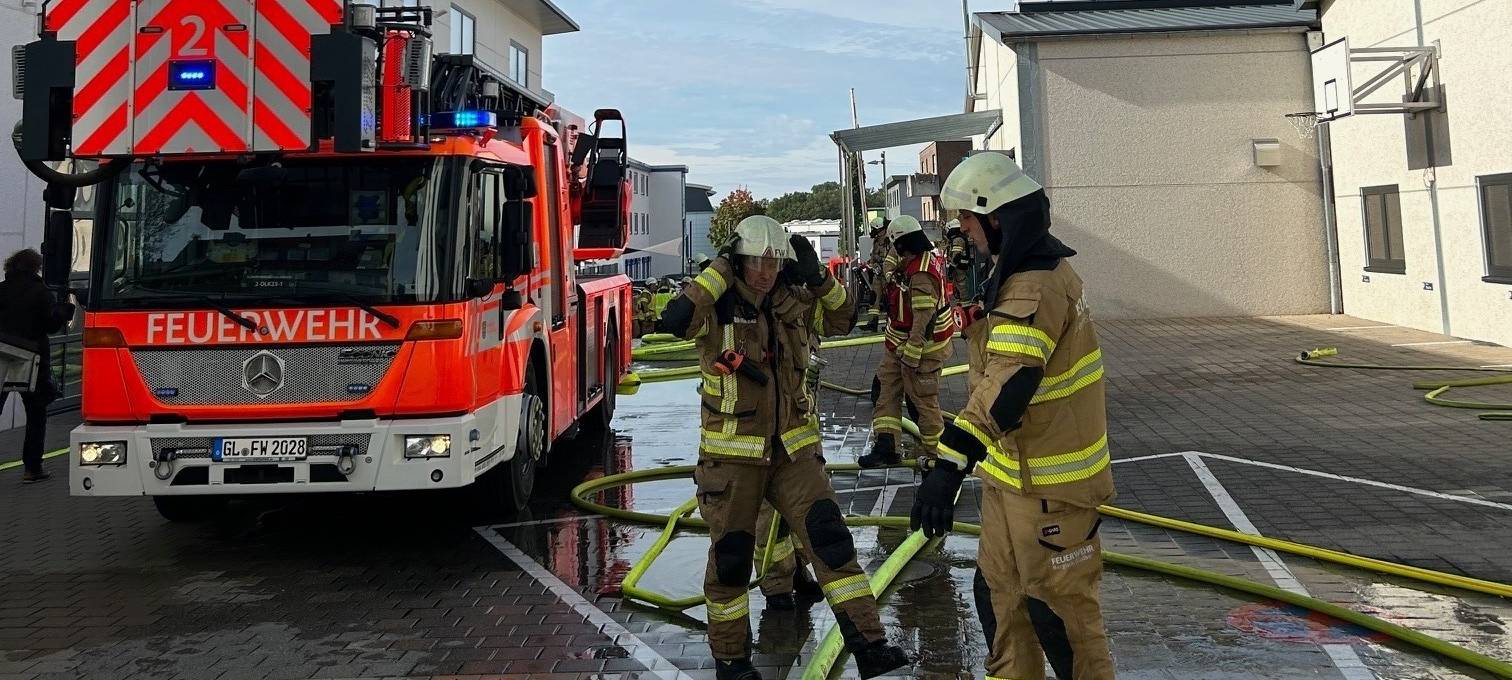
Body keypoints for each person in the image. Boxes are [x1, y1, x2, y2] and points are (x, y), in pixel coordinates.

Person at [659, 216, 909, 680]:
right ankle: (732, 662)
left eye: (774, 262)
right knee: (732, 560)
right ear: (739, 260)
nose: (766, 272)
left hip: (794, 452)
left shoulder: (795, 299)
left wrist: (817, 277)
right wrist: (717, 273)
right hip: (733, 457)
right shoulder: (715, 304)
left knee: (831, 542)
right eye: (756, 261)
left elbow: (843, 317)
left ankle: (870, 644)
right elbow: (674, 320)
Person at [911, 153, 1115, 680]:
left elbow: (1008, 385)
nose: (962, 233)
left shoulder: (1036, 284)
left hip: (1052, 489)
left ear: (996, 216)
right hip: (1011, 481)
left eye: (967, 220)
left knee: (1062, 620)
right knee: (1001, 602)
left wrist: (947, 467)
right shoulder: (1018, 275)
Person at [860, 216, 956, 469]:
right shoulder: (909, 258)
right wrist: (889, 273)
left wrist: (912, 355)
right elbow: (890, 260)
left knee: (922, 403)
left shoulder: (922, 273)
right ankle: (886, 447)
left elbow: (923, 319)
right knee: (886, 392)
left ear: (902, 244)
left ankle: (939, 462)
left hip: (922, 349)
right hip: (898, 345)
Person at [0, 249, 75, 484]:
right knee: (36, 413)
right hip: (32, 357)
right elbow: (50, 326)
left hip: (1, 354)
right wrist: (64, 313)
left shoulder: (1, 290)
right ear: (35, 267)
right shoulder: (41, 292)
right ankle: (32, 468)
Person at [942, 218, 972, 301]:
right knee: (959, 289)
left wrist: (951, 268)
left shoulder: (958, 240)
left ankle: (965, 307)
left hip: (960, 268)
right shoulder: (956, 239)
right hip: (959, 268)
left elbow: (956, 256)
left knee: (963, 290)